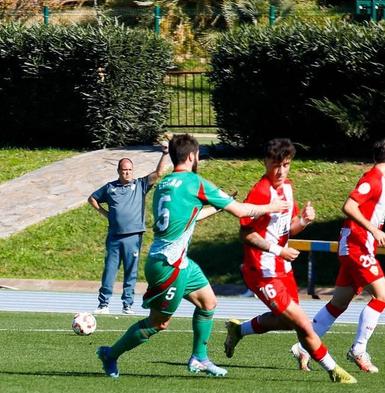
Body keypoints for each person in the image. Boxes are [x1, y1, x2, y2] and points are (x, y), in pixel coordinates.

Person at [96, 134, 288, 379]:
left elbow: (188, 216)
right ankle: (110, 354)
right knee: (158, 323)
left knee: (208, 303)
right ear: (191, 156)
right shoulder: (193, 182)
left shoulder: (165, 185)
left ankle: (199, 358)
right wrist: (271, 207)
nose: (199, 158)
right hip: (169, 265)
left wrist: (215, 207)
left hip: (176, 261)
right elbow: (240, 210)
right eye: (198, 155)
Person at [222, 138, 357, 384]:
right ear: (265, 163)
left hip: (282, 268)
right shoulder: (261, 192)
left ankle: (238, 330)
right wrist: (277, 250)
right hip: (261, 271)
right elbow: (245, 234)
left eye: (286, 164)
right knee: (303, 323)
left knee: (288, 322)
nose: (281, 171)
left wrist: (304, 220)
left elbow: (287, 229)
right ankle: (335, 371)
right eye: (276, 165)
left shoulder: (287, 188)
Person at [291, 137, 385, 374]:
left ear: (375, 156)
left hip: (358, 247)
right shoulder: (373, 179)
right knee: (382, 296)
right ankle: (358, 349)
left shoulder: (382, 183)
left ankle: (303, 347)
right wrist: (373, 230)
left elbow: (368, 214)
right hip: (357, 246)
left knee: (339, 303)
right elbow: (349, 206)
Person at [87, 146, 170, 315]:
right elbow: (92, 199)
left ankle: (127, 305)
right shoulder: (110, 188)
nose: (127, 173)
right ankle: (103, 304)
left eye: (130, 170)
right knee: (110, 270)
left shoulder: (140, 185)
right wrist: (106, 214)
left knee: (131, 271)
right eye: (124, 170)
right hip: (114, 236)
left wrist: (165, 153)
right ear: (118, 171)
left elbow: (158, 173)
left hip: (133, 235)